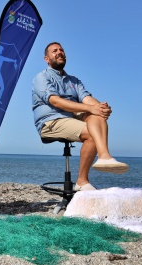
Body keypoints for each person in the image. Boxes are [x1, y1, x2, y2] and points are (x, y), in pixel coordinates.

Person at [32, 42, 128, 191]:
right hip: (51, 121)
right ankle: (82, 181)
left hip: (71, 119)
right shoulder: (41, 77)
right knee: (93, 133)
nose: (59, 52)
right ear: (47, 58)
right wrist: (91, 108)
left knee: (96, 116)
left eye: (62, 50)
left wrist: (100, 108)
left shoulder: (74, 81)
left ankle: (104, 156)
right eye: (54, 51)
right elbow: (55, 101)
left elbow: (87, 99)